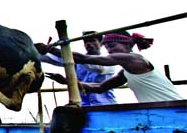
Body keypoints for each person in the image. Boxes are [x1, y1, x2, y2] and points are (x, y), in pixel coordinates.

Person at [35, 32, 184, 102]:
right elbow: (100, 87)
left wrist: (52, 49)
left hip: (173, 109)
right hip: (161, 111)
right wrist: (68, 82)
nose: (110, 50)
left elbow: (84, 58)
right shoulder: (126, 71)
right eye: (107, 47)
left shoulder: (134, 58)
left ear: (128, 44)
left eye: (112, 46)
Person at [40, 31, 117, 106]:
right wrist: (33, 49)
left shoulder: (109, 61)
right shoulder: (74, 60)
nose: (88, 44)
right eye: (86, 42)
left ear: (101, 43)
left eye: (92, 41)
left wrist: (52, 49)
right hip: (83, 105)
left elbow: (98, 68)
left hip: (105, 105)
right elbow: (51, 58)